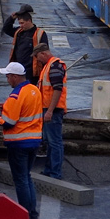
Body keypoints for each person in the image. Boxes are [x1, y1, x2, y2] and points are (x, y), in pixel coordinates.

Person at [0, 60, 44, 219]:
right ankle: (32, 214)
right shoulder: (34, 90)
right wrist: (7, 108)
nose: (7, 79)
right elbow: (26, 112)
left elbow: (8, 122)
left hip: (18, 143)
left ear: (15, 77)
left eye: (8, 76)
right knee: (27, 177)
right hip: (34, 141)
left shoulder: (15, 95)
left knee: (21, 180)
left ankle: (25, 216)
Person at [35, 44, 69, 179]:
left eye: (37, 56)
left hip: (53, 110)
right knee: (51, 142)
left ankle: (55, 173)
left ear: (43, 54)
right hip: (50, 109)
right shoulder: (50, 66)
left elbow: (57, 89)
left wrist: (49, 111)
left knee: (54, 142)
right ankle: (50, 171)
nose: (37, 60)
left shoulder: (54, 66)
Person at [1, 4, 49, 71]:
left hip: (32, 71)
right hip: (19, 69)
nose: (21, 25)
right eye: (19, 23)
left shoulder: (40, 34)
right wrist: (11, 18)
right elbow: (6, 29)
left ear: (29, 21)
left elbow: (44, 53)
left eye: (22, 23)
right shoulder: (19, 32)